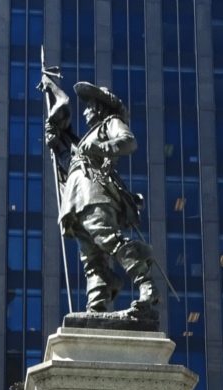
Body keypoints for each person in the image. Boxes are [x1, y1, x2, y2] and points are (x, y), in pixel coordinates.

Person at [40, 68, 158, 321]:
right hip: (76, 196)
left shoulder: (110, 123)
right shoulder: (84, 139)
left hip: (95, 190)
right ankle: (98, 306)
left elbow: (129, 141)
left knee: (106, 236)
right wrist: (57, 142)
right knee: (92, 258)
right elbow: (71, 161)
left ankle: (146, 284)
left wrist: (101, 147)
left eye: (89, 106)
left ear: (99, 108)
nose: (85, 112)